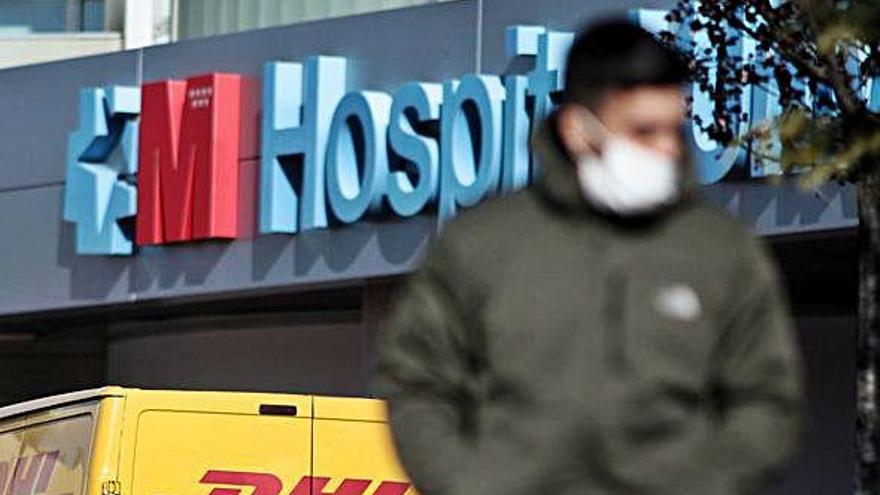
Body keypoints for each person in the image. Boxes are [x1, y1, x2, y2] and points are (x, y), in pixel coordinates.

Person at [374, 18, 804, 495]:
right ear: (579, 129)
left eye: (672, 129)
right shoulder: (481, 245)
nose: (666, 147)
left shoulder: (721, 250)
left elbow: (767, 399)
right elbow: (418, 382)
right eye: (643, 131)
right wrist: (469, 484)